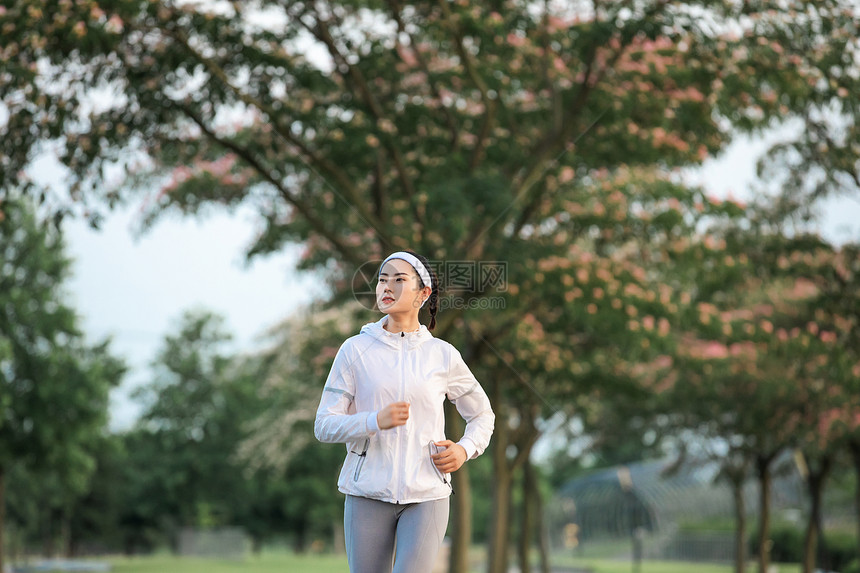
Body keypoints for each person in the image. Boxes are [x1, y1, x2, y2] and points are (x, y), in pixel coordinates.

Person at [314, 250, 495, 573]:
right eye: (382, 279)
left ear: (423, 294)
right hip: (367, 492)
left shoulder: (443, 355)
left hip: (427, 494)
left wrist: (464, 450)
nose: (387, 287)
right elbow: (324, 425)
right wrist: (373, 421)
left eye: (399, 280)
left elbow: (482, 415)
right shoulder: (354, 350)